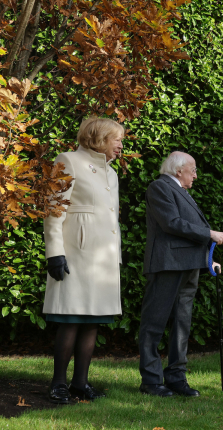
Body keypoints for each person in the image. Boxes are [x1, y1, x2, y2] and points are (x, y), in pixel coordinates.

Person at [43, 116, 125, 404]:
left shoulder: (111, 173)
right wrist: (54, 253)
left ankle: (80, 383)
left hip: (102, 259)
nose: (120, 145)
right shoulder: (68, 160)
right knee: (71, 319)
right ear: (99, 137)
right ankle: (58, 384)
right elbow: (54, 208)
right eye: (116, 139)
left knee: (92, 322)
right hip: (75, 255)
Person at [138, 151, 223, 397]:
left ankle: (177, 378)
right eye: (193, 170)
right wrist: (210, 234)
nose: (196, 176)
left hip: (189, 265)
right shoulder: (160, 187)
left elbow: (187, 231)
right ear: (178, 170)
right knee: (154, 323)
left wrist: (208, 258)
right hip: (168, 264)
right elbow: (172, 223)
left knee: (182, 325)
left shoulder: (181, 190)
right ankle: (151, 381)